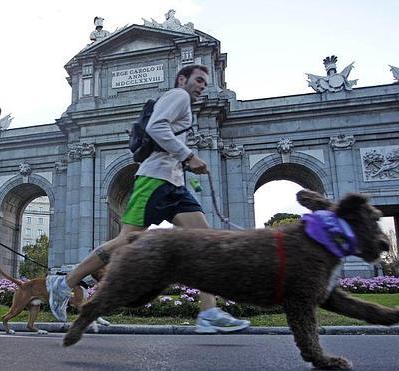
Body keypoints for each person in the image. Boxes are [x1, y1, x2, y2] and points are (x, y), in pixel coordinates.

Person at [48, 64, 250, 334]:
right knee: (125, 241)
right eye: (198, 80)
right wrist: (188, 156)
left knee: (206, 242)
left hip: (174, 185)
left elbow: (167, 142)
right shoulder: (177, 96)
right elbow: (156, 126)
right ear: (182, 79)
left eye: (205, 81)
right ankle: (64, 282)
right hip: (153, 182)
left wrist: (184, 168)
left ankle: (209, 312)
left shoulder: (185, 105)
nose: (202, 85)